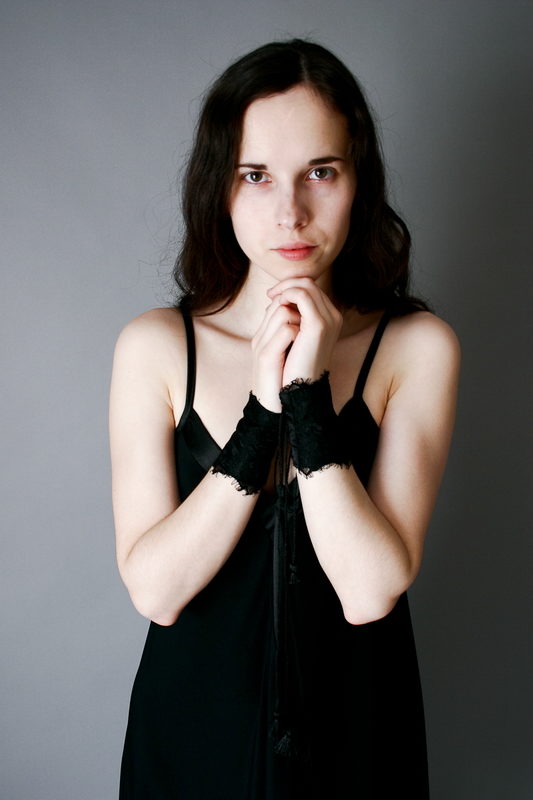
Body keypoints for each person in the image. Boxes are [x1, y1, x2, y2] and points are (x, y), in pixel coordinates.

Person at [110, 39, 460, 799]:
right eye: (256, 175)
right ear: (219, 187)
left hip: (358, 741)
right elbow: (157, 592)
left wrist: (306, 395)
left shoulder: (416, 347)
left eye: (320, 172)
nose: (290, 212)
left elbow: (369, 591)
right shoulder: (156, 347)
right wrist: (262, 409)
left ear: (358, 180)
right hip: (190, 739)